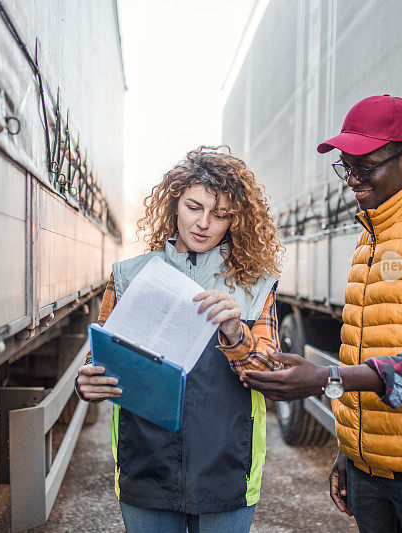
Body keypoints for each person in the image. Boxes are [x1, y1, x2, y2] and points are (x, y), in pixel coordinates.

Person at [241, 95, 402, 532]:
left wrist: (325, 379)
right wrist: (351, 450)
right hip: (370, 470)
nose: (352, 180)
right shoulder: (371, 236)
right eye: (346, 167)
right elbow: (371, 346)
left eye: (364, 166)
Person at [75, 146, 284, 532]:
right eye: (194, 207)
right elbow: (99, 359)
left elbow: (272, 376)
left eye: (220, 214)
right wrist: (88, 380)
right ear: (174, 205)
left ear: (234, 222)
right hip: (145, 466)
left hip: (227, 469)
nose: (204, 223)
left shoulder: (255, 286)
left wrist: (236, 334)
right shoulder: (130, 276)